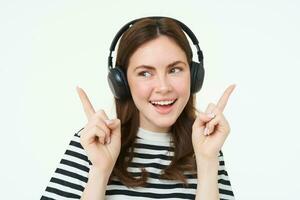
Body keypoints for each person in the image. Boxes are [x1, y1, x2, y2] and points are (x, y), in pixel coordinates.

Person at [41, 16, 236, 200]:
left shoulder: (206, 148)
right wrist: (100, 171)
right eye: (145, 73)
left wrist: (207, 162)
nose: (163, 87)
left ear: (194, 77)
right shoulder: (92, 142)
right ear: (122, 82)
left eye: (175, 70)